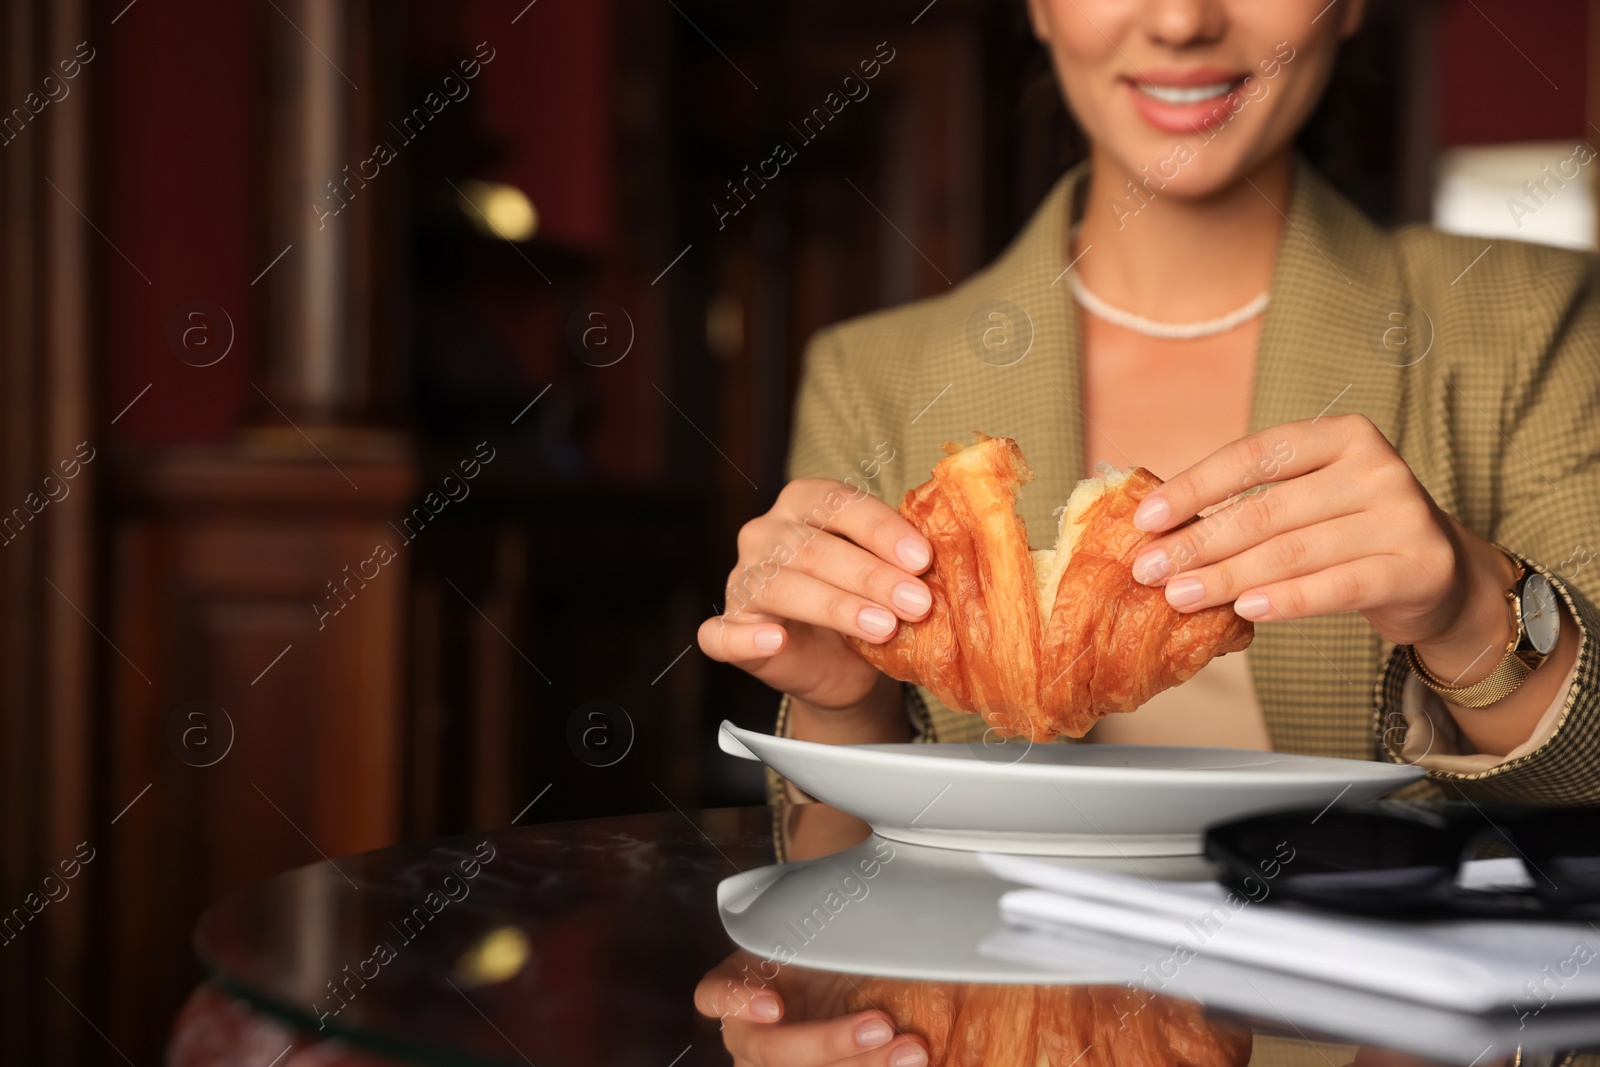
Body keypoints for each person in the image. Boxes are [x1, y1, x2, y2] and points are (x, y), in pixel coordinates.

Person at [695, 0, 1600, 1064]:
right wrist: (841, 707)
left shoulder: (1530, 319)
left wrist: (1466, 611)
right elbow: (845, 882)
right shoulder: (873, 376)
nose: (1179, 21)